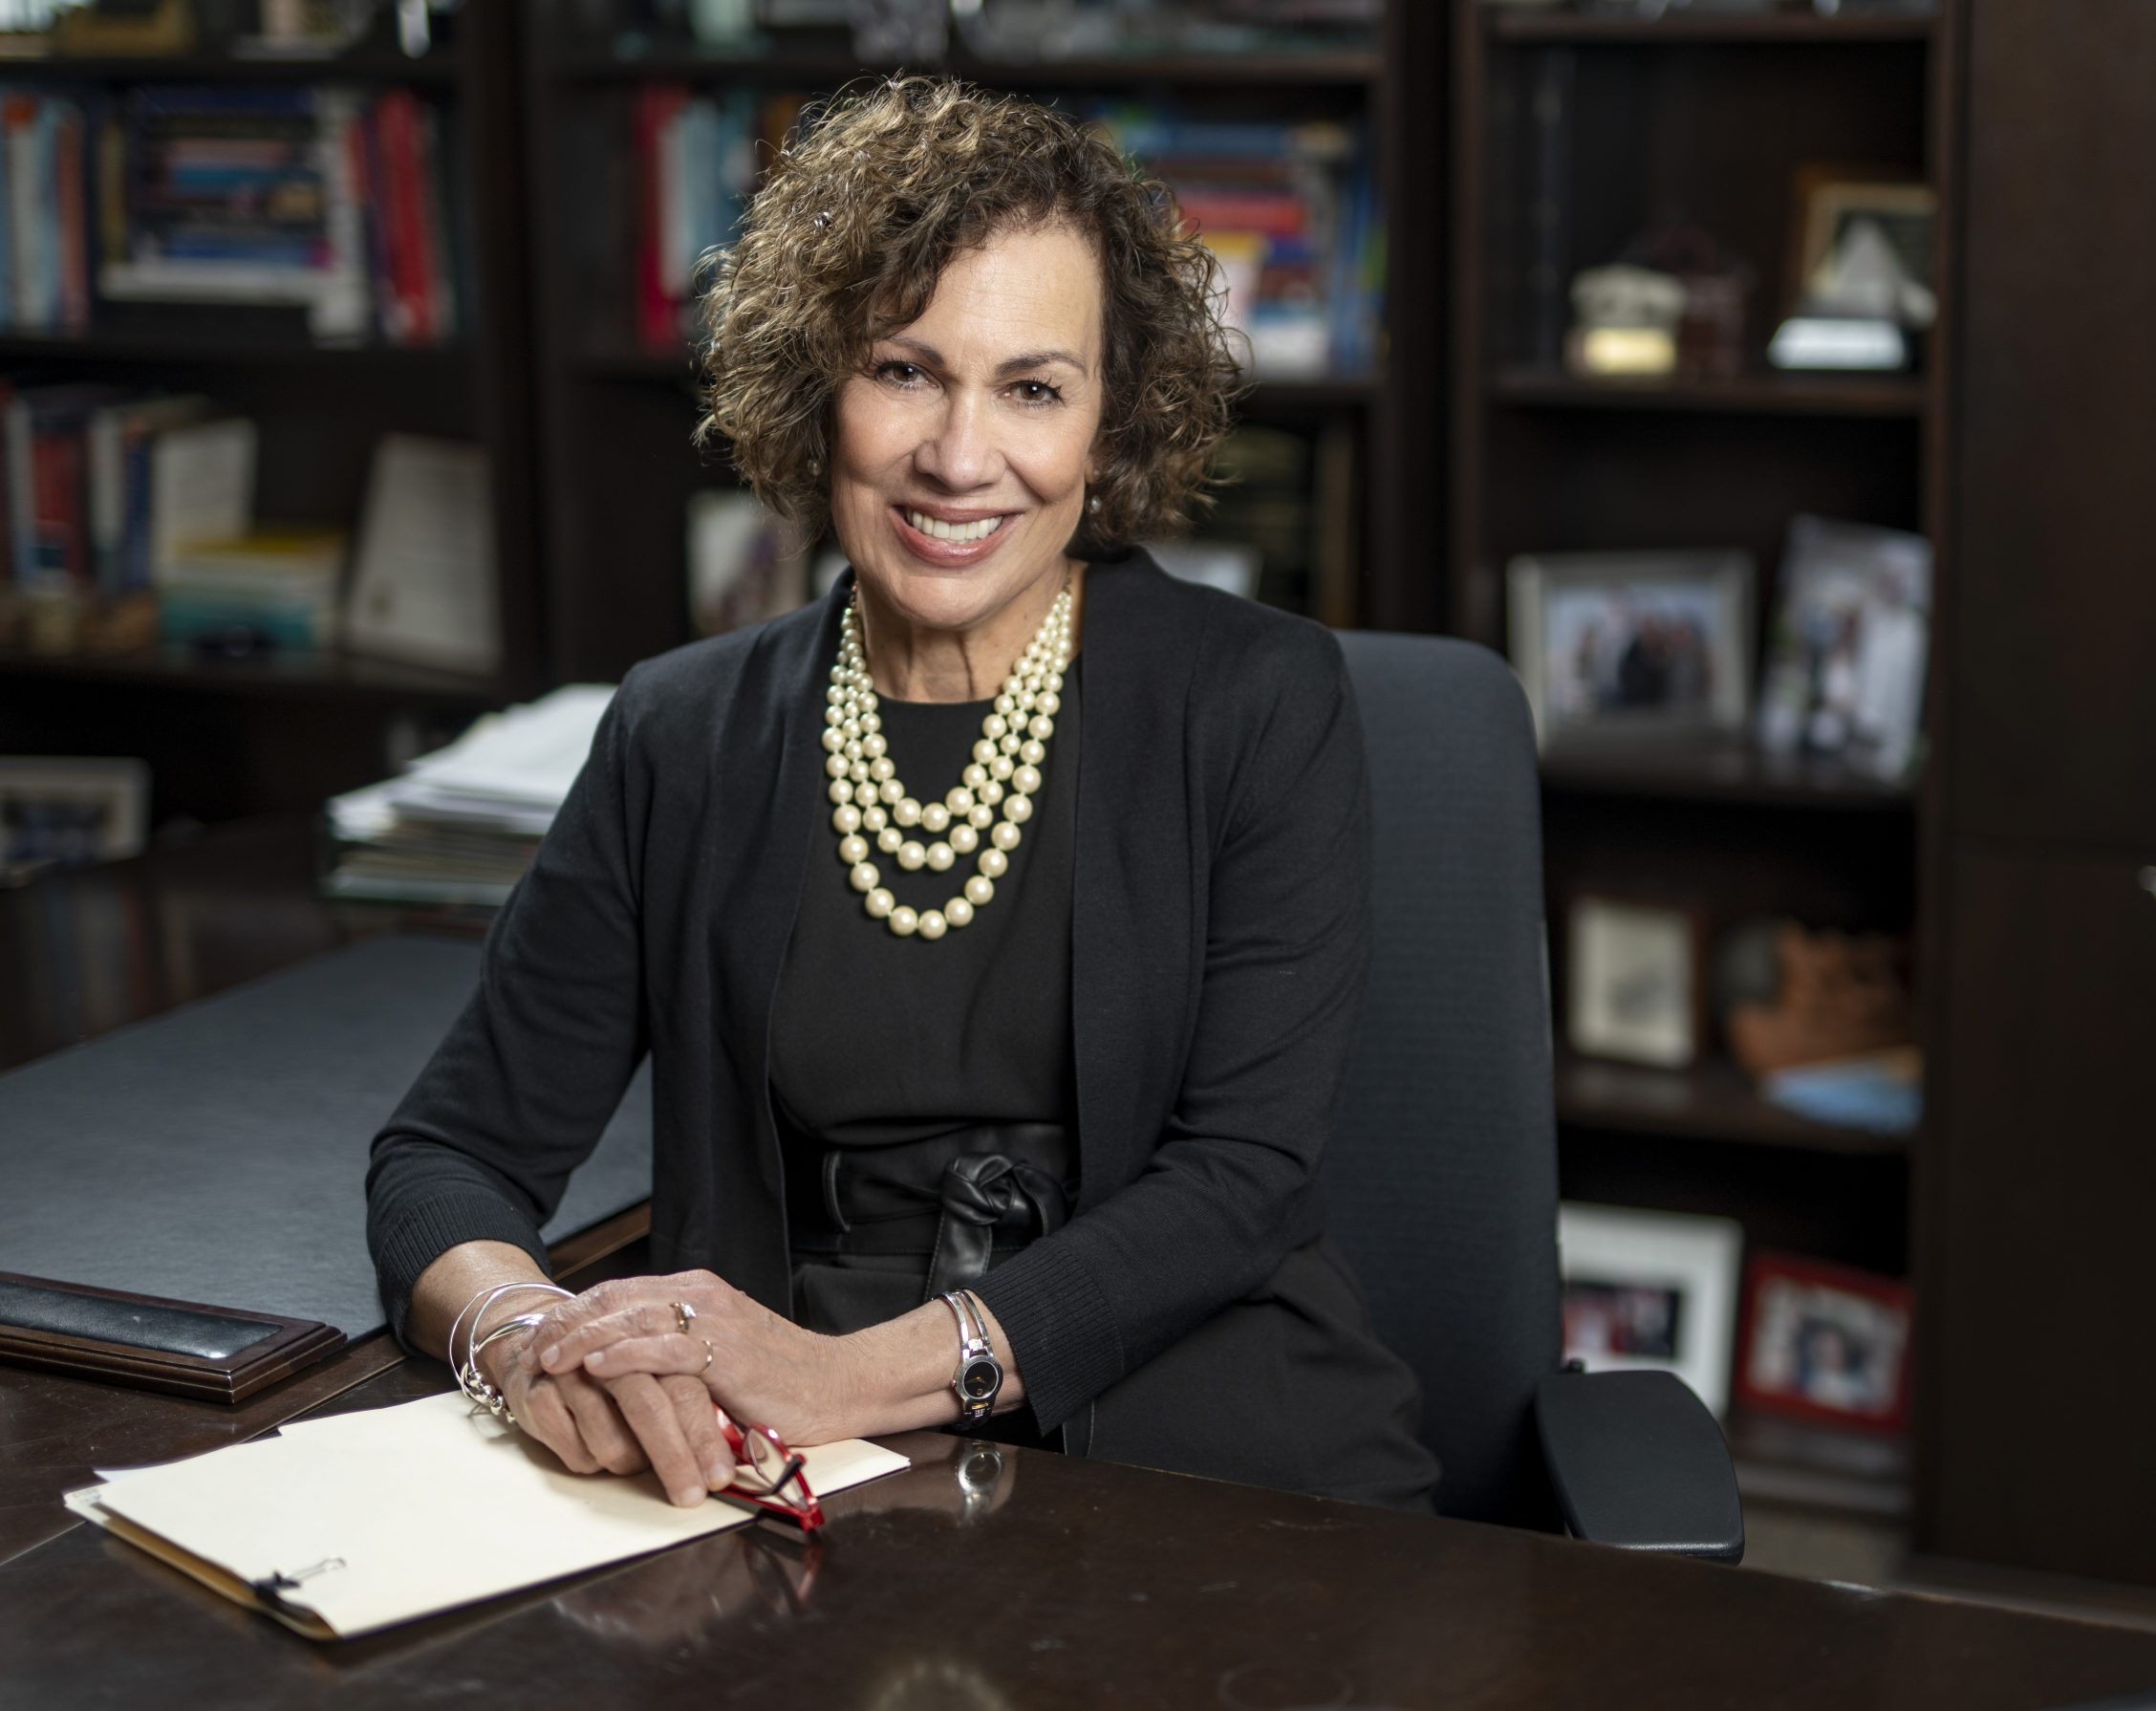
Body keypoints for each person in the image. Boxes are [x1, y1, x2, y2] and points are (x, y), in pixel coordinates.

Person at [365, 75, 1438, 1515]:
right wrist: (528, 1338)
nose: (958, 455)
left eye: (1034, 387)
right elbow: (450, 1156)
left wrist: (838, 1374)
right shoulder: (682, 731)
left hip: (1199, 1435)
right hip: (791, 1472)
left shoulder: (1254, 701)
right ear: (821, 391)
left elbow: (1244, 1178)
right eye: (904, 369)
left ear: (1109, 424)